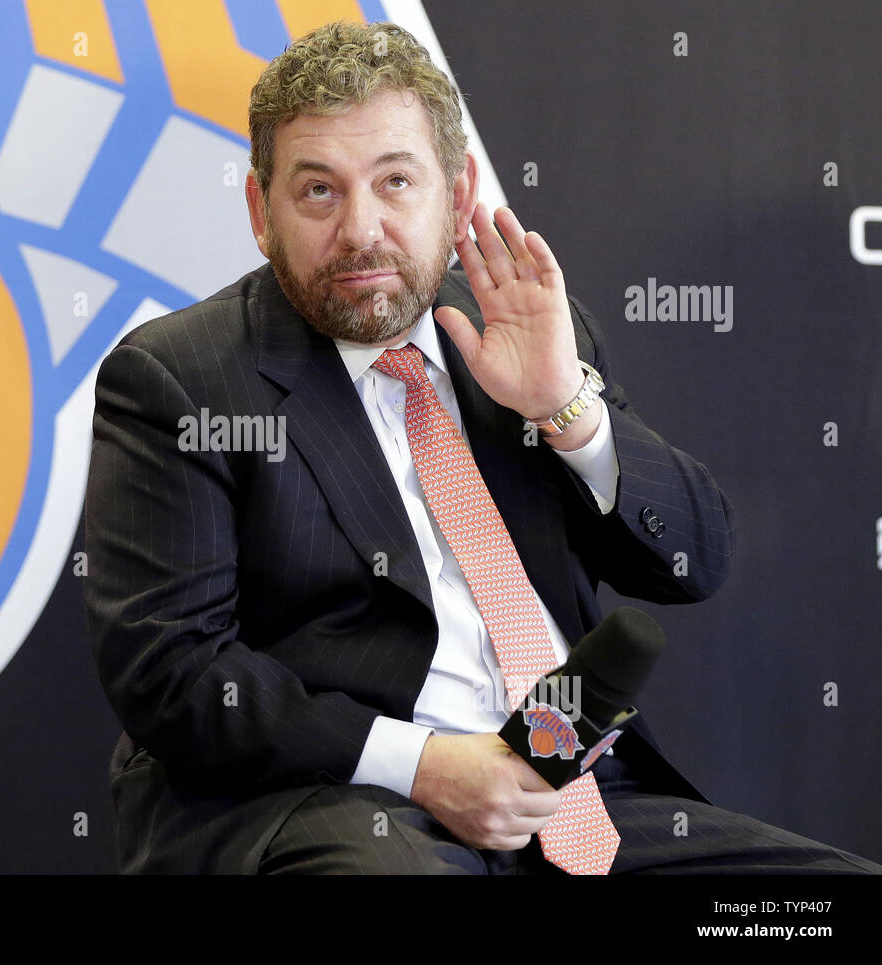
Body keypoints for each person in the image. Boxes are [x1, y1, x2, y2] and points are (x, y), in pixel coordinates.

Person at [82, 20, 880, 874]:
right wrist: (425, 767)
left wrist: (568, 410)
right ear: (260, 210)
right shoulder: (180, 378)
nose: (361, 230)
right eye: (319, 191)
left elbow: (694, 563)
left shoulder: (528, 330)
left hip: (575, 795)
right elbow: (172, 671)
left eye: (396, 182)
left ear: (458, 196)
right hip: (336, 804)